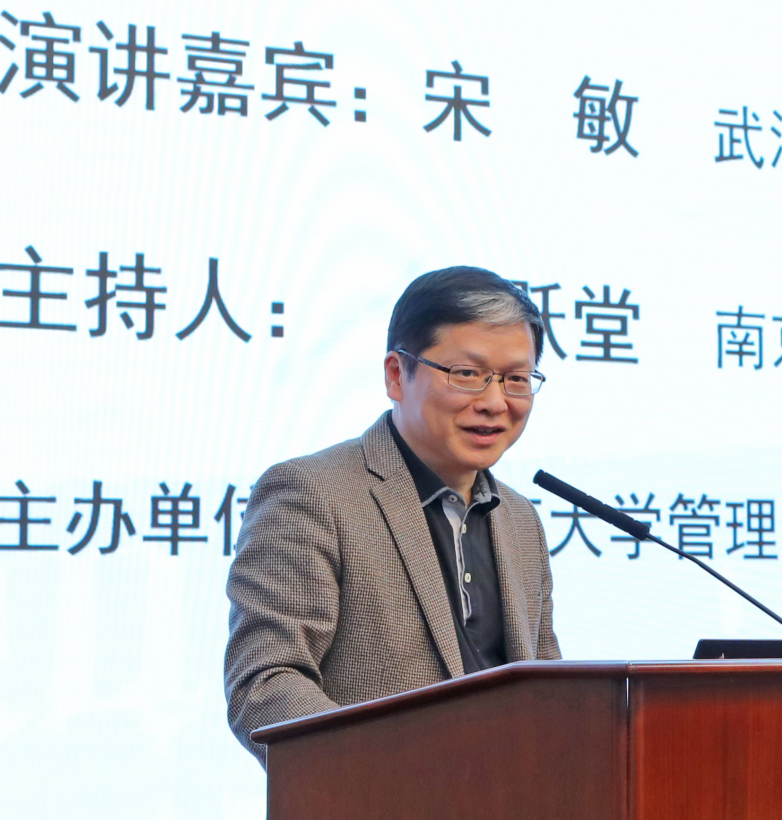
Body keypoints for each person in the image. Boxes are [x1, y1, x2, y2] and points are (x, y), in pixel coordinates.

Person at [224, 266, 561, 766]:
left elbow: (549, 692)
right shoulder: (312, 493)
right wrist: (389, 779)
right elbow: (265, 685)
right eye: (467, 374)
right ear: (396, 375)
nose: (495, 403)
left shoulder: (520, 519)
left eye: (515, 380)